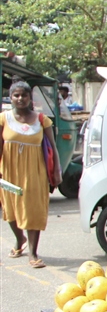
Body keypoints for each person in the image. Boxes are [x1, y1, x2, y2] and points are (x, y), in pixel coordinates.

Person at [1, 80, 62, 268]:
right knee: (10, 210)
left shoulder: (42, 120)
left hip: (35, 171)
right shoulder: (4, 118)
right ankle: (19, 240)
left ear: (30, 98)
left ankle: (33, 253)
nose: (20, 98)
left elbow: (52, 147)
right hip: (10, 171)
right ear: (11, 98)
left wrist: (57, 171)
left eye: (24, 95)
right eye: (16, 95)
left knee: (33, 209)